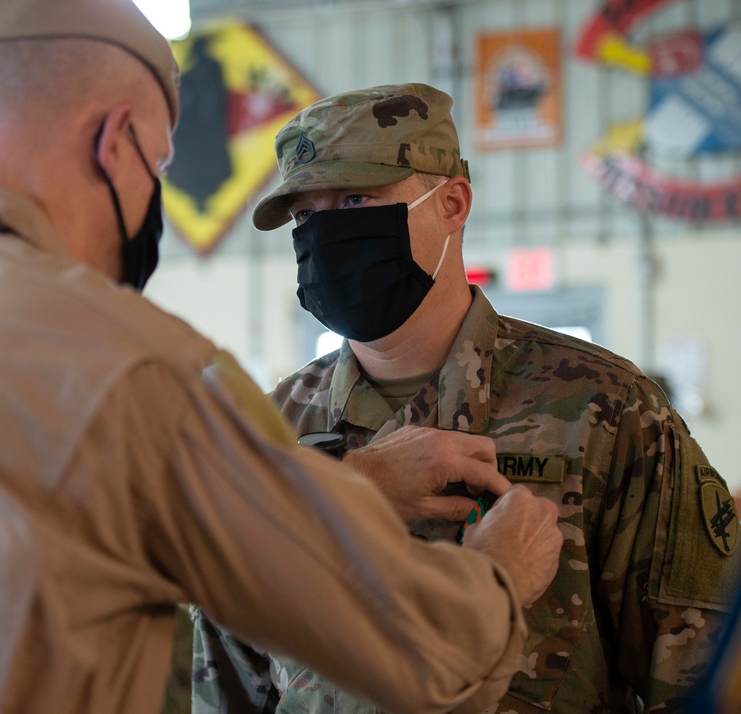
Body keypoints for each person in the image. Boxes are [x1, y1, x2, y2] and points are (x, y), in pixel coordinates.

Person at [0, 5, 567, 714]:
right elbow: (419, 651)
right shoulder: (134, 370)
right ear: (116, 142)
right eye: (160, 165)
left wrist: (347, 486)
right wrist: (497, 577)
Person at [191, 83, 740, 714]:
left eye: (355, 199)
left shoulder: (606, 412)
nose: (324, 236)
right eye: (306, 216)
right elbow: (223, 688)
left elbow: (704, 677)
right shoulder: (267, 431)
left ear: (452, 202)